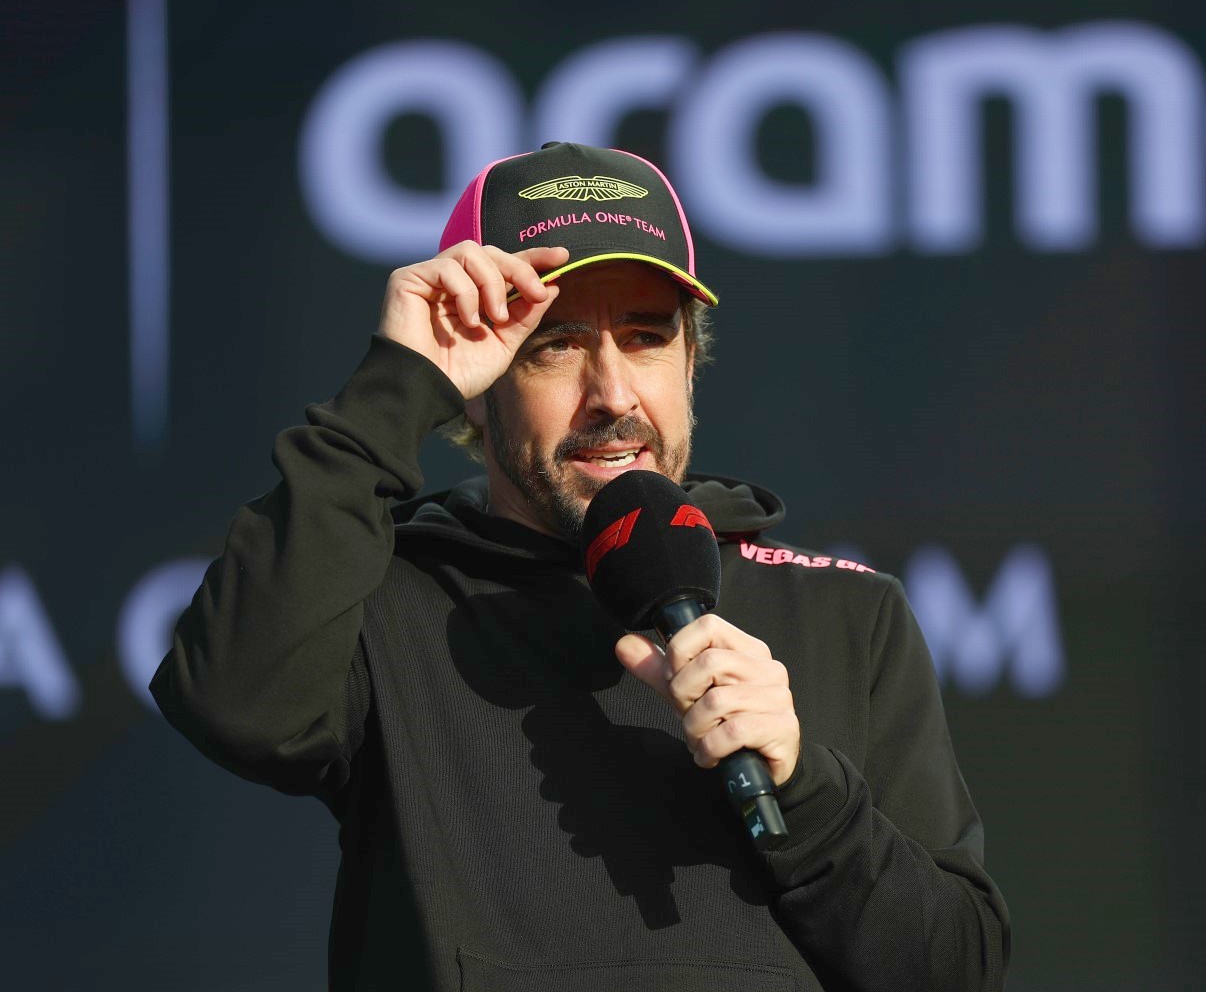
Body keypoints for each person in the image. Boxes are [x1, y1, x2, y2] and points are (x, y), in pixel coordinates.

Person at [151, 142, 1009, 991]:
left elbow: (953, 970)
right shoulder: (378, 598)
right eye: (554, 345)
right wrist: (395, 390)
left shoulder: (842, 613)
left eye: (646, 337)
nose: (613, 394)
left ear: (690, 362)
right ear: (476, 390)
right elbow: (236, 707)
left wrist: (807, 789)